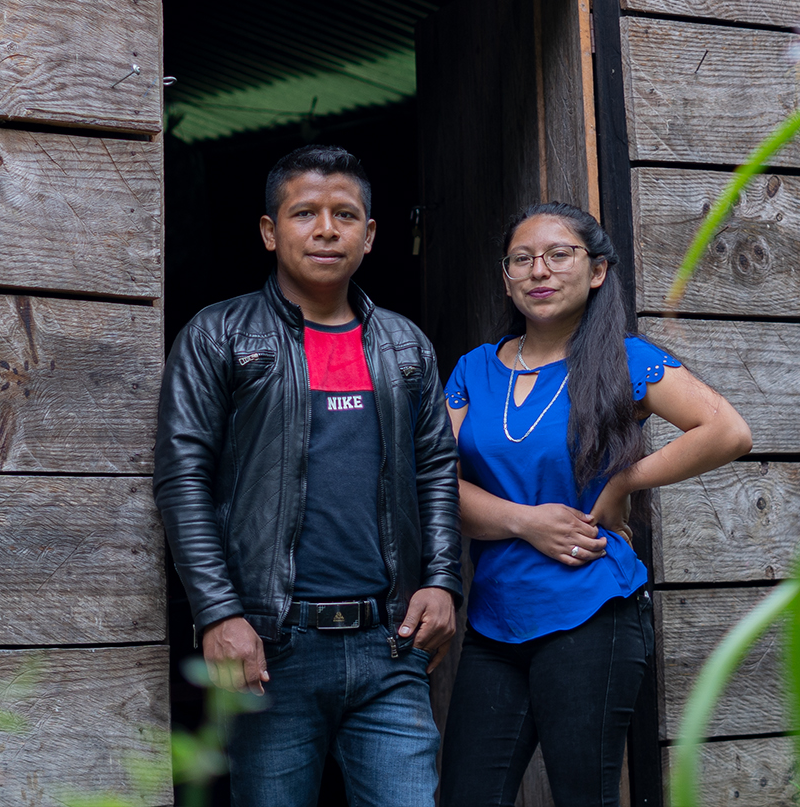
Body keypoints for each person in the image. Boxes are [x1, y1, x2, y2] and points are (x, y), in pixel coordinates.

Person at [154, 144, 462, 807]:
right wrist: (218, 613)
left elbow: (437, 465)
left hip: (390, 647)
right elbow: (183, 480)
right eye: (305, 213)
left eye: (345, 214)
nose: (326, 228)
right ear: (270, 231)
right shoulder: (219, 335)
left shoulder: (406, 345)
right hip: (271, 645)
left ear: (370, 234)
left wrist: (442, 581)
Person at [438, 202, 754, 807]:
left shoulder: (625, 360)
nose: (539, 270)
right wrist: (527, 523)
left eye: (559, 255)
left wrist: (620, 484)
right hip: (494, 620)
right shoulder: (474, 370)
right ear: (506, 278)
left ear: (598, 270)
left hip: (592, 611)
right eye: (522, 259)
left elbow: (727, 431)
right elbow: (432, 482)